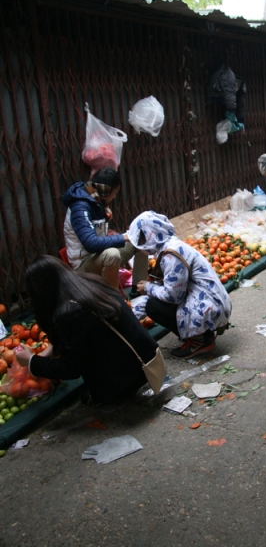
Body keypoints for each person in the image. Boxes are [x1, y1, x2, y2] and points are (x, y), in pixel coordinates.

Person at [15, 255, 160, 406]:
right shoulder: (89, 283)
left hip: (129, 377)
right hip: (147, 360)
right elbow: (87, 334)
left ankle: (113, 394)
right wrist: (51, 349)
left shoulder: (68, 313)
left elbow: (71, 369)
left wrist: (32, 361)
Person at [127, 211, 232, 359]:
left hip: (208, 306)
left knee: (152, 306)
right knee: (152, 300)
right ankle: (204, 334)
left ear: (150, 237)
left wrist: (148, 288)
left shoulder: (170, 255)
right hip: (212, 302)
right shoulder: (169, 246)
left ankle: (198, 341)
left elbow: (173, 296)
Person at [63, 167, 147, 290]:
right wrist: (123, 237)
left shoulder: (97, 201)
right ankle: (113, 301)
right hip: (84, 263)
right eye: (115, 193)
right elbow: (91, 244)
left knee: (139, 240)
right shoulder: (80, 207)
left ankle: (139, 290)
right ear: (107, 191)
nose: (114, 197)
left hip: (99, 255)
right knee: (112, 255)